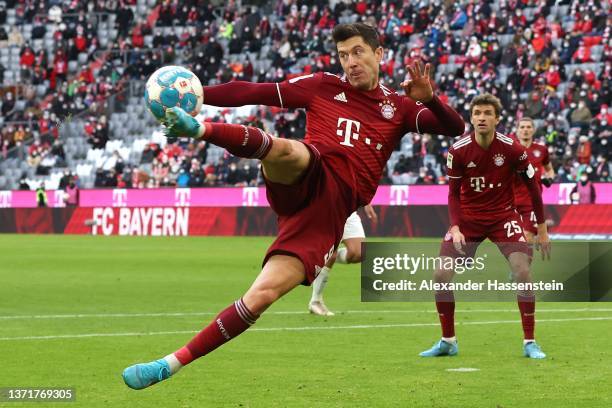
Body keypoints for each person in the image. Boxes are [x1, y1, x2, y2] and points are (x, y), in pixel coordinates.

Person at [122, 22, 465, 390]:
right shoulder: (323, 86)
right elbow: (254, 91)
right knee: (286, 148)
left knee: (260, 296)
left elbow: (453, 126)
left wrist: (429, 99)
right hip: (308, 173)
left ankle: (169, 364)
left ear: (379, 53)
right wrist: (198, 92)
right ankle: (201, 130)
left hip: (327, 215)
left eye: (358, 52)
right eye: (343, 55)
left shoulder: (398, 107)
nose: (350, 62)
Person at [419, 93, 551, 360]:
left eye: (487, 113)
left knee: (522, 272)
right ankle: (448, 341)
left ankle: (530, 342)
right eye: (477, 113)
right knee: (440, 276)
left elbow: (534, 189)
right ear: (471, 117)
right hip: (468, 219)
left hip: (504, 218)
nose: (481, 117)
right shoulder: (457, 150)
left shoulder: (513, 149)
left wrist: (542, 228)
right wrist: (455, 226)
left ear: (497, 118)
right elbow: (453, 194)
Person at [308, 205, 377, 316]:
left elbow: (357, 186)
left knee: (359, 253)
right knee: (331, 252)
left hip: (348, 210)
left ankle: (324, 257)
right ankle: (315, 301)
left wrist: (367, 204)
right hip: (326, 210)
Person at [512, 117, 555, 243]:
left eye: (528, 127)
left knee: (528, 235)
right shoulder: (510, 149)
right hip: (510, 200)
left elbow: (550, 169)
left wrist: (550, 179)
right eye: (522, 127)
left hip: (531, 201)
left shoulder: (542, 150)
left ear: (534, 130)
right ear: (517, 130)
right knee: (512, 239)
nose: (525, 130)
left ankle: (525, 261)